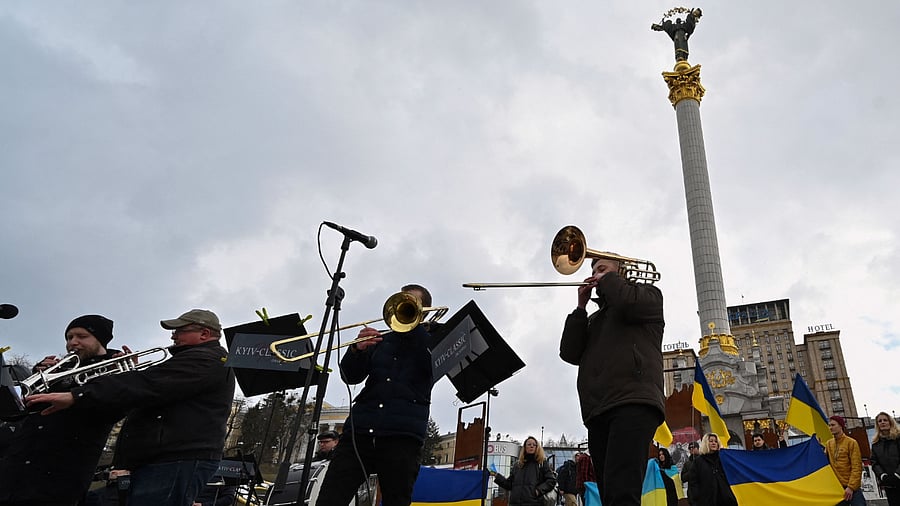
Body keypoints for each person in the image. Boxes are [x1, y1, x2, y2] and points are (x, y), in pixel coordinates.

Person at [27, 309, 236, 506]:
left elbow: (148, 385)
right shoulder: (196, 359)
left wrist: (77, 395)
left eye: (180, 330)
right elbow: (147, 388)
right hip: (164, 459)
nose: (173, 336)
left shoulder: (207, 359)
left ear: (204, 333)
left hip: (175, 460)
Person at [315, 285, 436, 506]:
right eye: (402, 301)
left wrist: (421, 330)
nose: (404, 305)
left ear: (424, 310)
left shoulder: (432, 340)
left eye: (411, 302)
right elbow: (350, 376)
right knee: (330, 499)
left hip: (402, 436)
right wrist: (356, 350)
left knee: (396, 500)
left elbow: (441, 367)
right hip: (360, 430)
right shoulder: (381, 339)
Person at [559, 256, 665, 506]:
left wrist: (610, 281)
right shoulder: (594, 320)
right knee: (609, 491)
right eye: (594, 270)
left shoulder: (648, 296)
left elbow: (626, 302)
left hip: (633, 400)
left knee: (622, 490)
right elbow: (569, 353)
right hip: (599, 408)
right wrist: (580, 308)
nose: (596, 274)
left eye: (603, 269)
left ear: (621, 273)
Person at [0, 314, 123, 506]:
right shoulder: (58, 371)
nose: (72, 342)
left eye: (81, 336)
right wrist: (37, 378)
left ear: (100, 340)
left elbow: (115, 409)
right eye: (69, 337)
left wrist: (125, 376)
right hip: (14, 476)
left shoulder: (115, 370)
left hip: (57, 482)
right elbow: (17, 413)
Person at [491, 436, 558, 506]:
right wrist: (497, 476)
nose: (531, 446)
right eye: (529, 444)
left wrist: (539, 490)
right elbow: (509, 484)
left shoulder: (541, 463)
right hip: (515, 503)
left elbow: (551, 480)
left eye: (534, 445)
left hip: (534, 503)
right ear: (525, 447)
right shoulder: (518, 465)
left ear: (537, 447)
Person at [684, 433, 737, 506]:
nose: (714, 443)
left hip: (725, 500)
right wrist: (695, 502)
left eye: (716, 441)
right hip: (706, 501)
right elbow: (693, 483)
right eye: (711, 441)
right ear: (705, 443)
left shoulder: (723, 459)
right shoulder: (698, 462)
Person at [826, 415, 867, 506]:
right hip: (837, 488)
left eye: (833, 425)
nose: (830, 427)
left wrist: (851, 487)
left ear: (841, 426)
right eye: (829, 425)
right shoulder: (829, 444)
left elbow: (857, 466)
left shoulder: (851, 442)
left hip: (852, 487)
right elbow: (824, 462)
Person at [871, 412, 900, 506]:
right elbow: (874, 463)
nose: (882, 422)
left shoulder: (898, 438)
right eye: (880, 421)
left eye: (885, 420)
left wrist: (897, 474)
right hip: (889, 483)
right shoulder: (875, 444)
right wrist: (882, 475)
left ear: (890, 422)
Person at [680, 441, 700, 505]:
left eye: (693, 447)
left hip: (704, 492)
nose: (691, 449)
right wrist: (691, 472)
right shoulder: (687, 464)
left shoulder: (703, 460)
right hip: (692, 494)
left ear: (698, 448)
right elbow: (683, 478)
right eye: (690, 448)